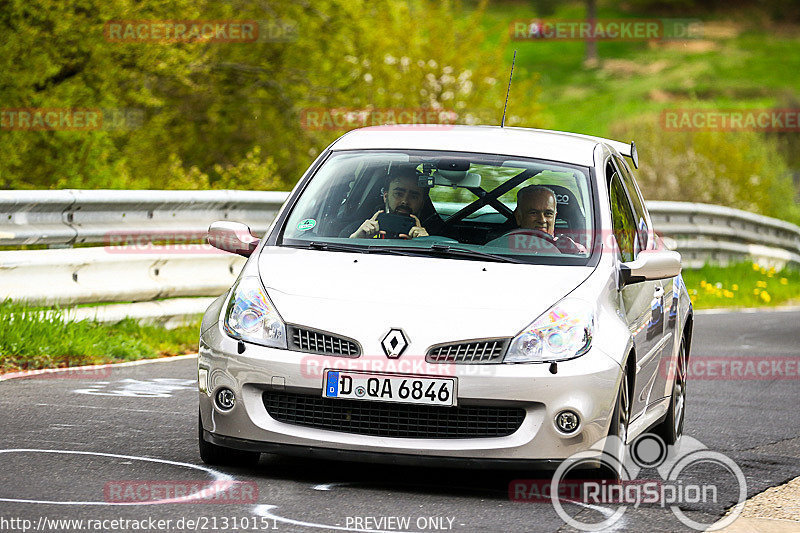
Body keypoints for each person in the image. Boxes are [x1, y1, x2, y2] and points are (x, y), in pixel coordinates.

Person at [349, 169, 430, 239]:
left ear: (422, 203)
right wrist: (356, 240)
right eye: (398, 194)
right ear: (385, 196)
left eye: (413, 197)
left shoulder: (433, 237)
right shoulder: (359, 229)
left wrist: (424, 243)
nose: (405, 201)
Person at [513, 185, 587, 254]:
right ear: (519, 217)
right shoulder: (504, 248)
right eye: (534, 213)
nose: (542, 220)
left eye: (548, 214)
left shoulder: (573, 249)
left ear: (554, 217)